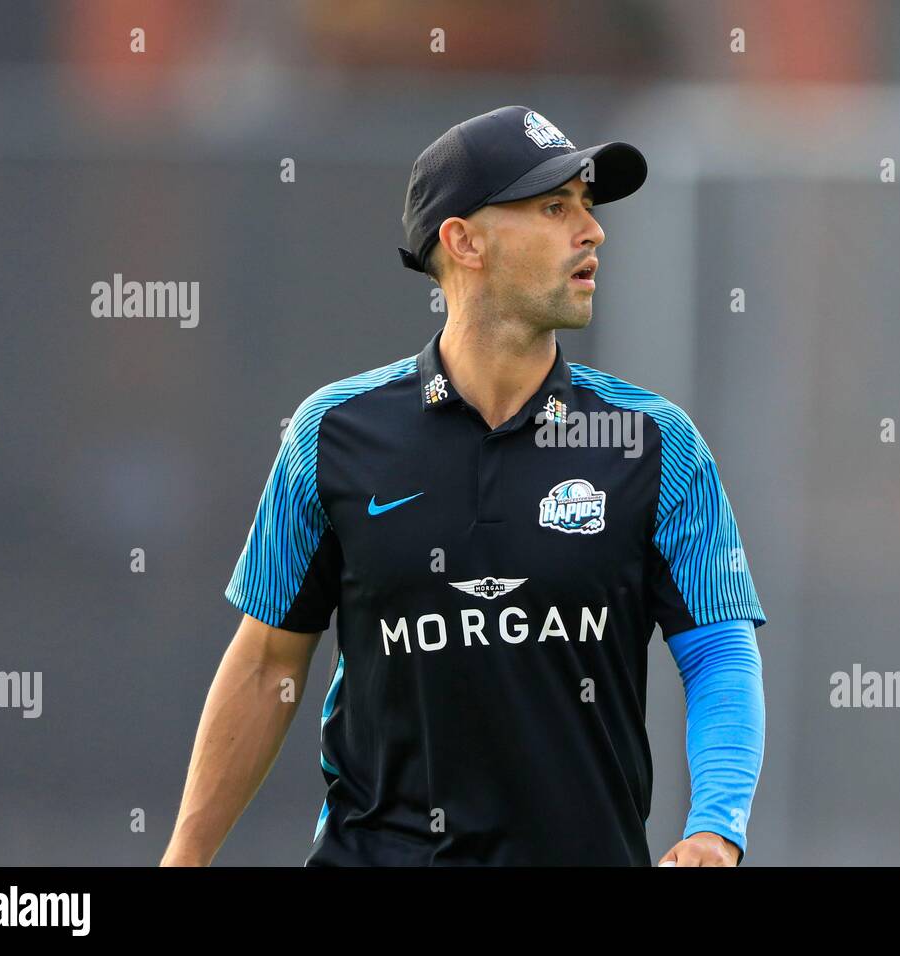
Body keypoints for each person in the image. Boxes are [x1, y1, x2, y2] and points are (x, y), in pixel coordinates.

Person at [162, 106, 766, 867]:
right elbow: (266, 662)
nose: (593, 232)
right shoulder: (332, 433)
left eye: (588, 206)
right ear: (463, 240)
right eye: (554, 207)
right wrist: (183, 859)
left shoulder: (655, 443)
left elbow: (719, 654)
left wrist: (717, 827)